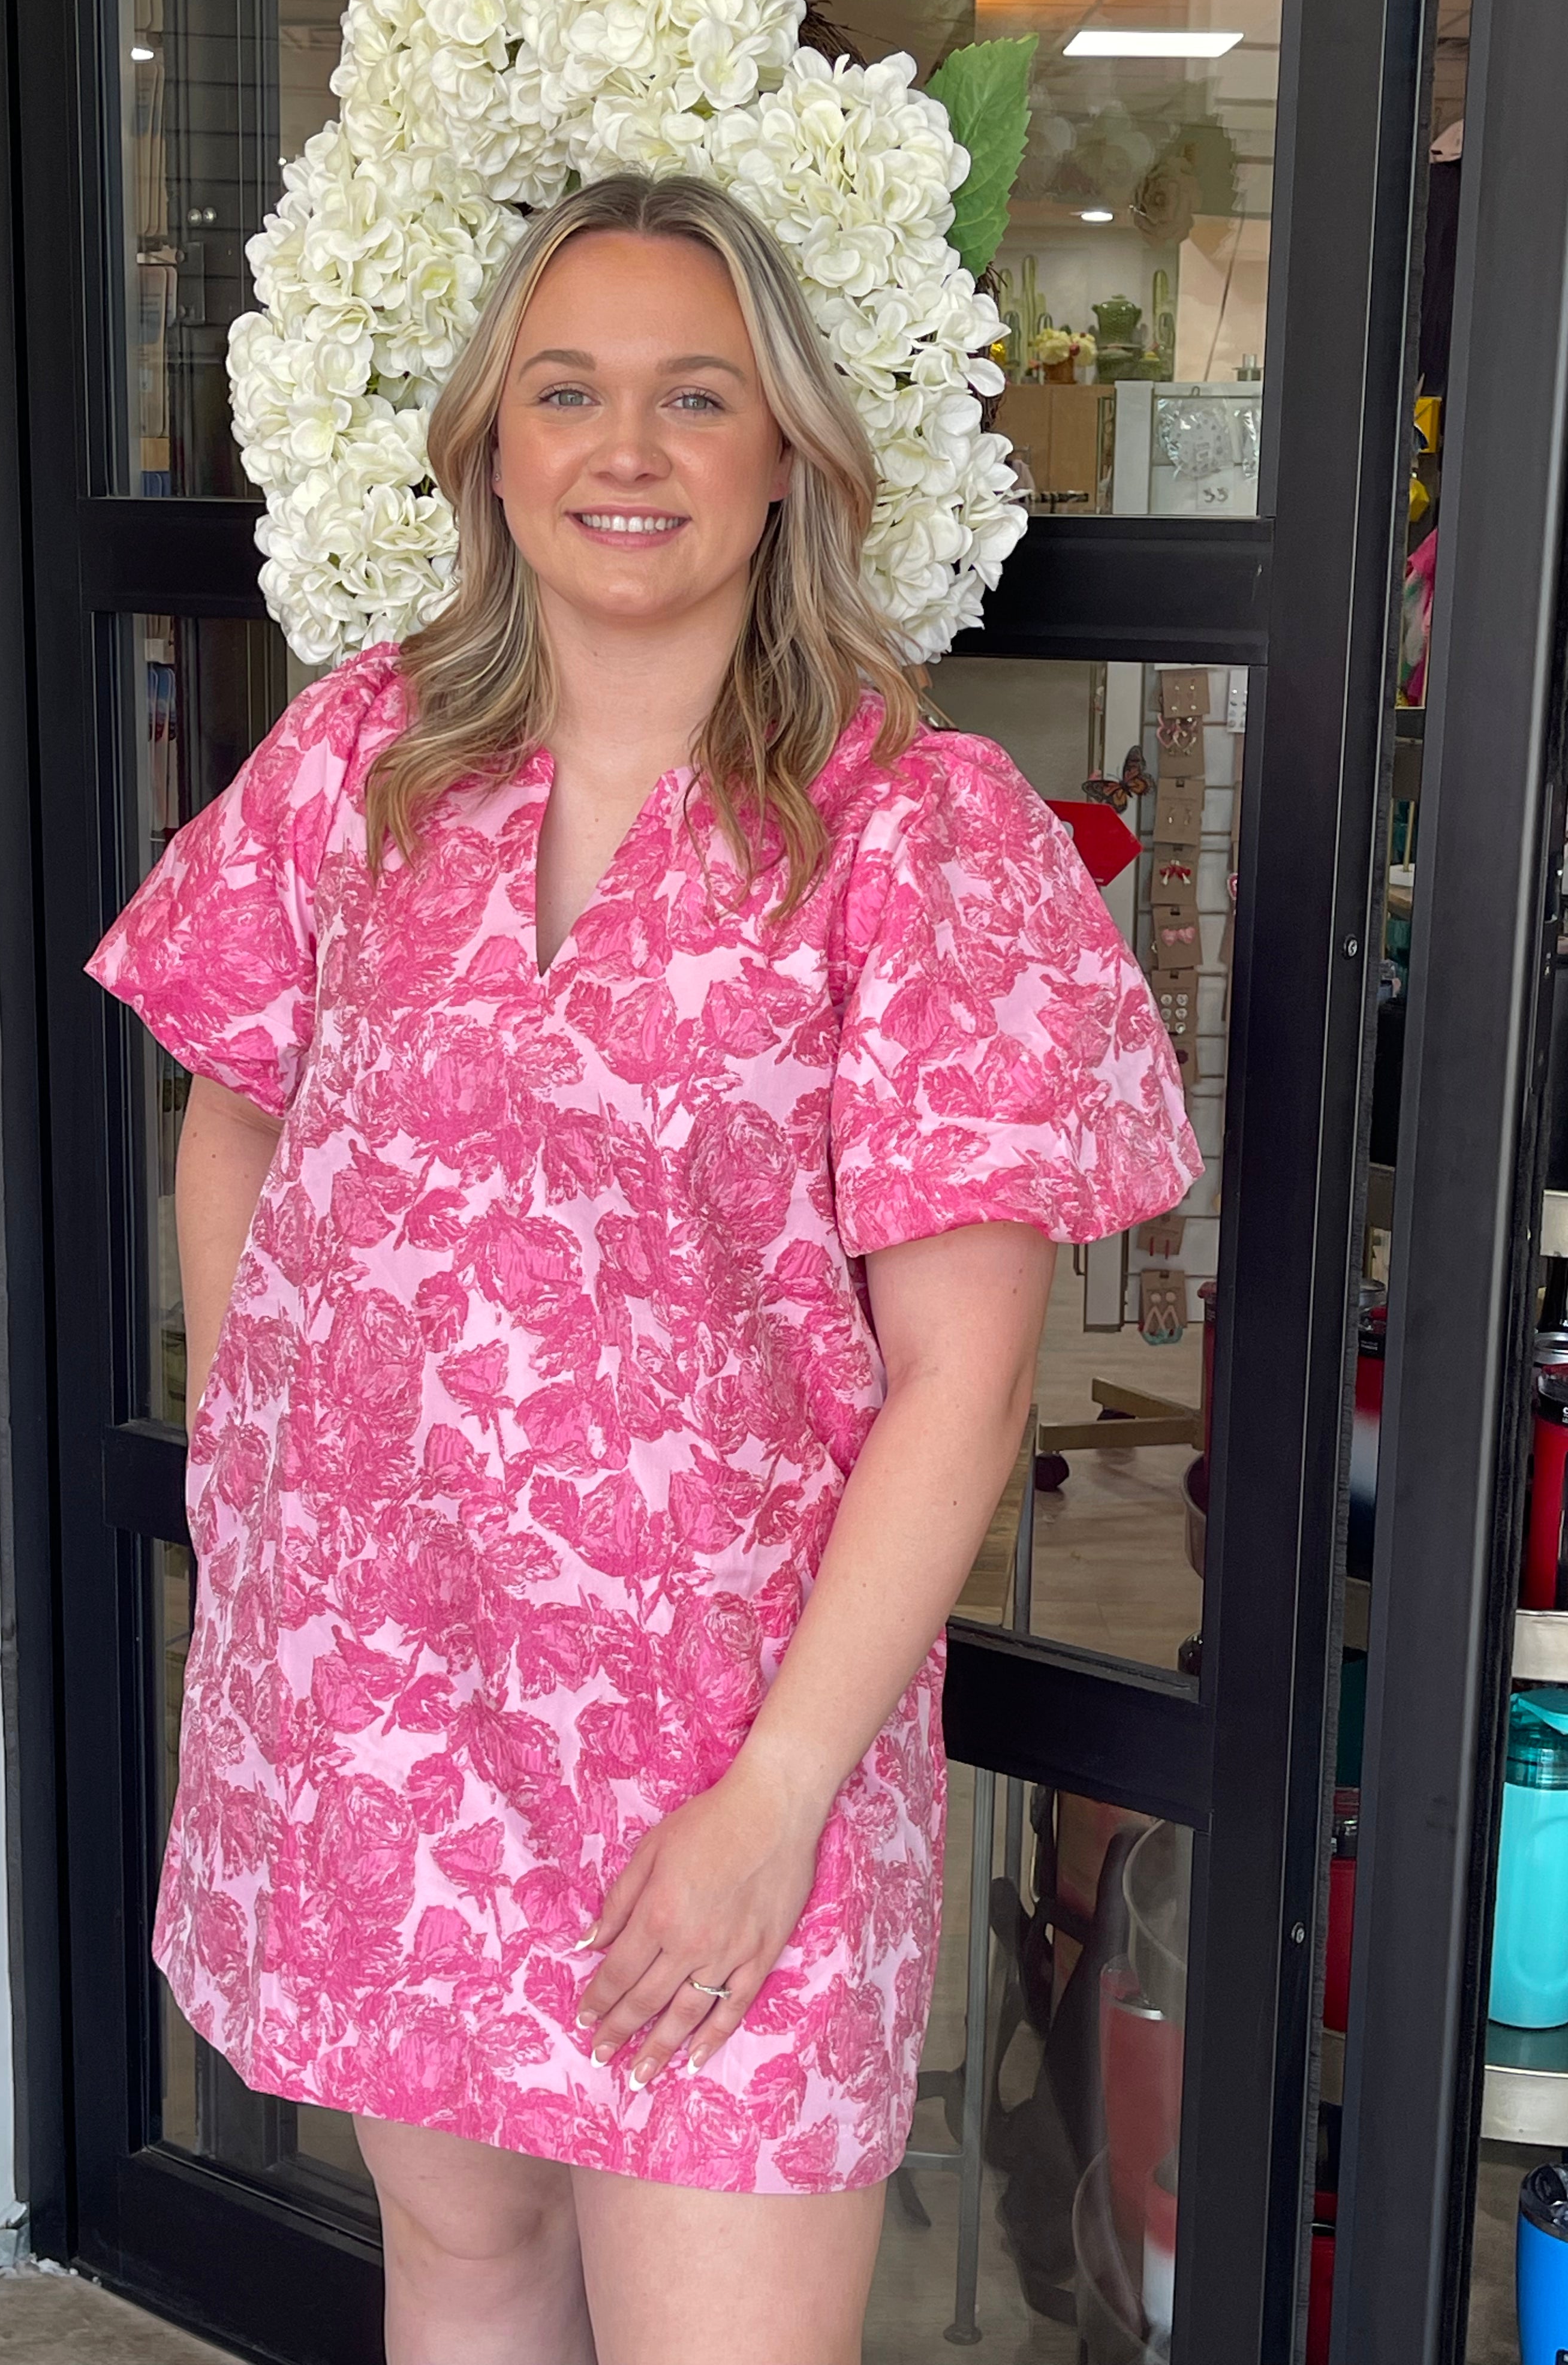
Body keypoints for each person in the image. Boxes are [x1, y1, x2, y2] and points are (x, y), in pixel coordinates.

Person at [86, 171, 1200, 2365]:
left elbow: (963, 1382)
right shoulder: (369, 763)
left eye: (695, 397)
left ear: (785, 448)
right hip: (390, 1716)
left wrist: (775, 1800)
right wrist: (260, 1457)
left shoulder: (916, 832)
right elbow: (232, 1097)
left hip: (727, 1746)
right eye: (567, 391)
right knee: (472, 2280)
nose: (626, 449)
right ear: (488, 444)